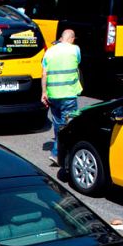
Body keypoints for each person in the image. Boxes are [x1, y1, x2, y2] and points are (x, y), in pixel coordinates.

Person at [42, 28, 83, 165]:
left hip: (53, 95)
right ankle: (58, 153)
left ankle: (58, 152)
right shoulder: (75, 49)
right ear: (71, 39)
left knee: (58, 124)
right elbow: (78, 62)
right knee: (69, 126)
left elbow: (44, 74)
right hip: (69, 94)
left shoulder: (49, 52)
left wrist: (44, 92)